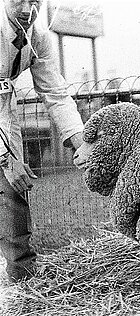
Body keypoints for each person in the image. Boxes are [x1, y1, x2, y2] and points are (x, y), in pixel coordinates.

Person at [0, 0, 84, 282]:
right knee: (8, 175)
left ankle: (20, 283)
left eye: (34, 0)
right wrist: (4, 157)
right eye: (18, 0)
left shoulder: (38, 37)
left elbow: (56, 93)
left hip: (3, 110)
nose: (27, 9)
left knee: (13, 190)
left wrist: (80, 140)